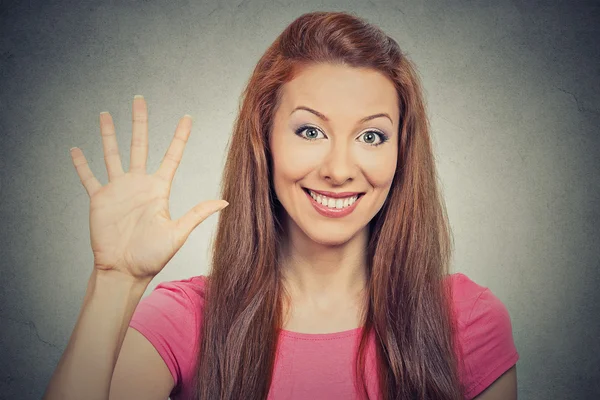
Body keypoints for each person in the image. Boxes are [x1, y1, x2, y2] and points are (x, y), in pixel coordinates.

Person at [43, 11, 519, 400]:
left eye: (371, 136)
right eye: (310, 131)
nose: (339, 168)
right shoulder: (185, 319)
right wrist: (115, 282)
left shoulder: (466, 318)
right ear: (264, 140)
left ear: (401, 153)